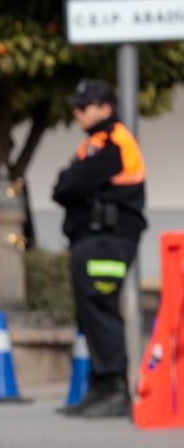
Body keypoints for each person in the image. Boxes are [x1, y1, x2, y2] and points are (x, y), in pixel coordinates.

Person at [52, 78, 147, 419]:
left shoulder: (113, 141)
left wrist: (69, 181)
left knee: (101, 307)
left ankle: (115, 388)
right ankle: (100, 386)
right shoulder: (94, 143)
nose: (76, 113)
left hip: (109, 238)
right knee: (90, 311)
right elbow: (64, 186)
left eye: (83, 106)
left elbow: (70, 184)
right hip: (92, 239)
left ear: (105, 108)